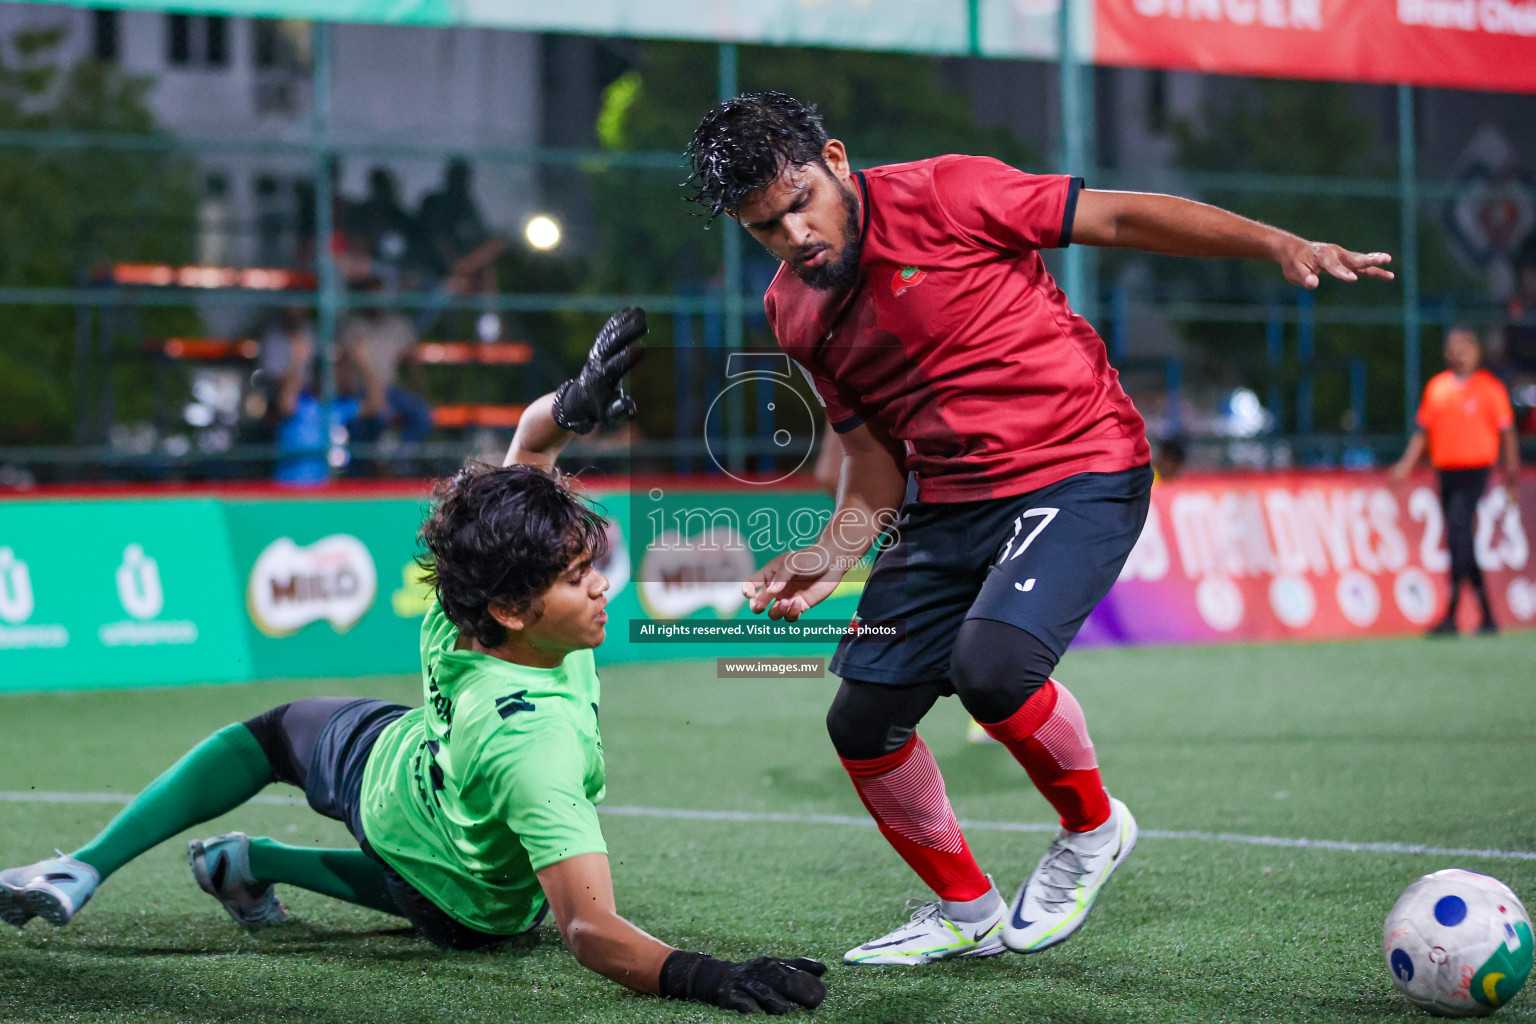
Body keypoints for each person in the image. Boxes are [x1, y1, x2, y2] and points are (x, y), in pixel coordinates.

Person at [686, 91, 1393, 966]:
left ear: (835, 160)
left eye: (800, 204)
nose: (794, 235)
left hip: (1080, 465)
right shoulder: (793, 311)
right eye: (765, 228)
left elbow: (1123, 215)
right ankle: (965, 909)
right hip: (948, 504)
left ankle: (1094, 832)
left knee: (992, 667)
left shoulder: (947, 193)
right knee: (862, 723)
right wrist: (833, 554)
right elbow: (873, 462)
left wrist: (1275, 242)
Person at [0, 309, 828, 1016]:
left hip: (398, 775)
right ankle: (231, 863)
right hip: (468, 899)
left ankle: (123, 863)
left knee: (278, 740)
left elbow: (529, 446)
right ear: (512, 610)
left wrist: (571, 404)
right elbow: (590, 932)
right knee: (410, 873)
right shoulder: (531, 750)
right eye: (580, 581)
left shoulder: (463, 595)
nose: (603, 590)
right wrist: (712, 976)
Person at [1391, 324, 1520, 636]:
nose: (1458, 352)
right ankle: (1486, 614)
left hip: (1475, 473)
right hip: (1446, 472)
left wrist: (1512, 479)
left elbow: (1508, 436)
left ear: (1476, 350)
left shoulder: (1490, 389)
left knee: (1459, 530)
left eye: (1465, 345)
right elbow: (1422, 434)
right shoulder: (1438, 388)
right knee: (1460, 539)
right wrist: (1405, 466)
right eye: (1453, 346)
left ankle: (1450, 612)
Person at [340, 288, 434, 456]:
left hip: (391, 391)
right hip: (361, 393)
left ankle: (398, 461)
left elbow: (413, 363)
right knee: (372, 420)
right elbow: (342, 366)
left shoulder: (399, 326)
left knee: (423, 415)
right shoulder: (353, 327)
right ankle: (364, 469)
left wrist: (423, 392)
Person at [419, 158, 507, 295]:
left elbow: (484, 239)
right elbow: (438, 240)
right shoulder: (436, 204)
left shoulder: (467, 207)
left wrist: (472, 262)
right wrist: (461, 266)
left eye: (463, 178)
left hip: (463, 268)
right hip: (438, 270)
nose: (460, 183)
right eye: (457, 177)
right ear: (448, 178)